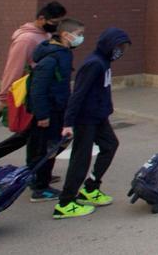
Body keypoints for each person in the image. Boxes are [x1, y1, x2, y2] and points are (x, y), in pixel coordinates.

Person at [0, 1, 66, 174]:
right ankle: (35, 175)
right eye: (54, 22)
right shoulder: (26, 39)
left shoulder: (44, 35)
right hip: (31, 94)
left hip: (40, 93)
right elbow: (13, 69)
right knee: (34, 134)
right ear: (41, 18)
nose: (56, 26)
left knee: (30, 135)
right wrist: (4, 98)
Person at [53, 27, 131, 219]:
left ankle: (91, 187)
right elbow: (78, 94)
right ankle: (65, 202)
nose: (120, 50)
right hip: (85, 118)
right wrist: (68, 123)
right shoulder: (94, 64)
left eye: (123, 47)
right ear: (108, 45)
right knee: (81, 158)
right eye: (118, 46)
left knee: (110, 145)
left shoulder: (104, 62)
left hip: (99, 116)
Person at [27, 18, 84, 202]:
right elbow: (38, 88)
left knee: (52, 146)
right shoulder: (52, 58)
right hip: (49, 112)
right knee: (47, 148)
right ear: (66, 35)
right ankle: (40, 187)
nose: (81, 38)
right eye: (79, 35)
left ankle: (38, 177)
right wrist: (42, 114)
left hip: (58, 108)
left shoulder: (63, 53)